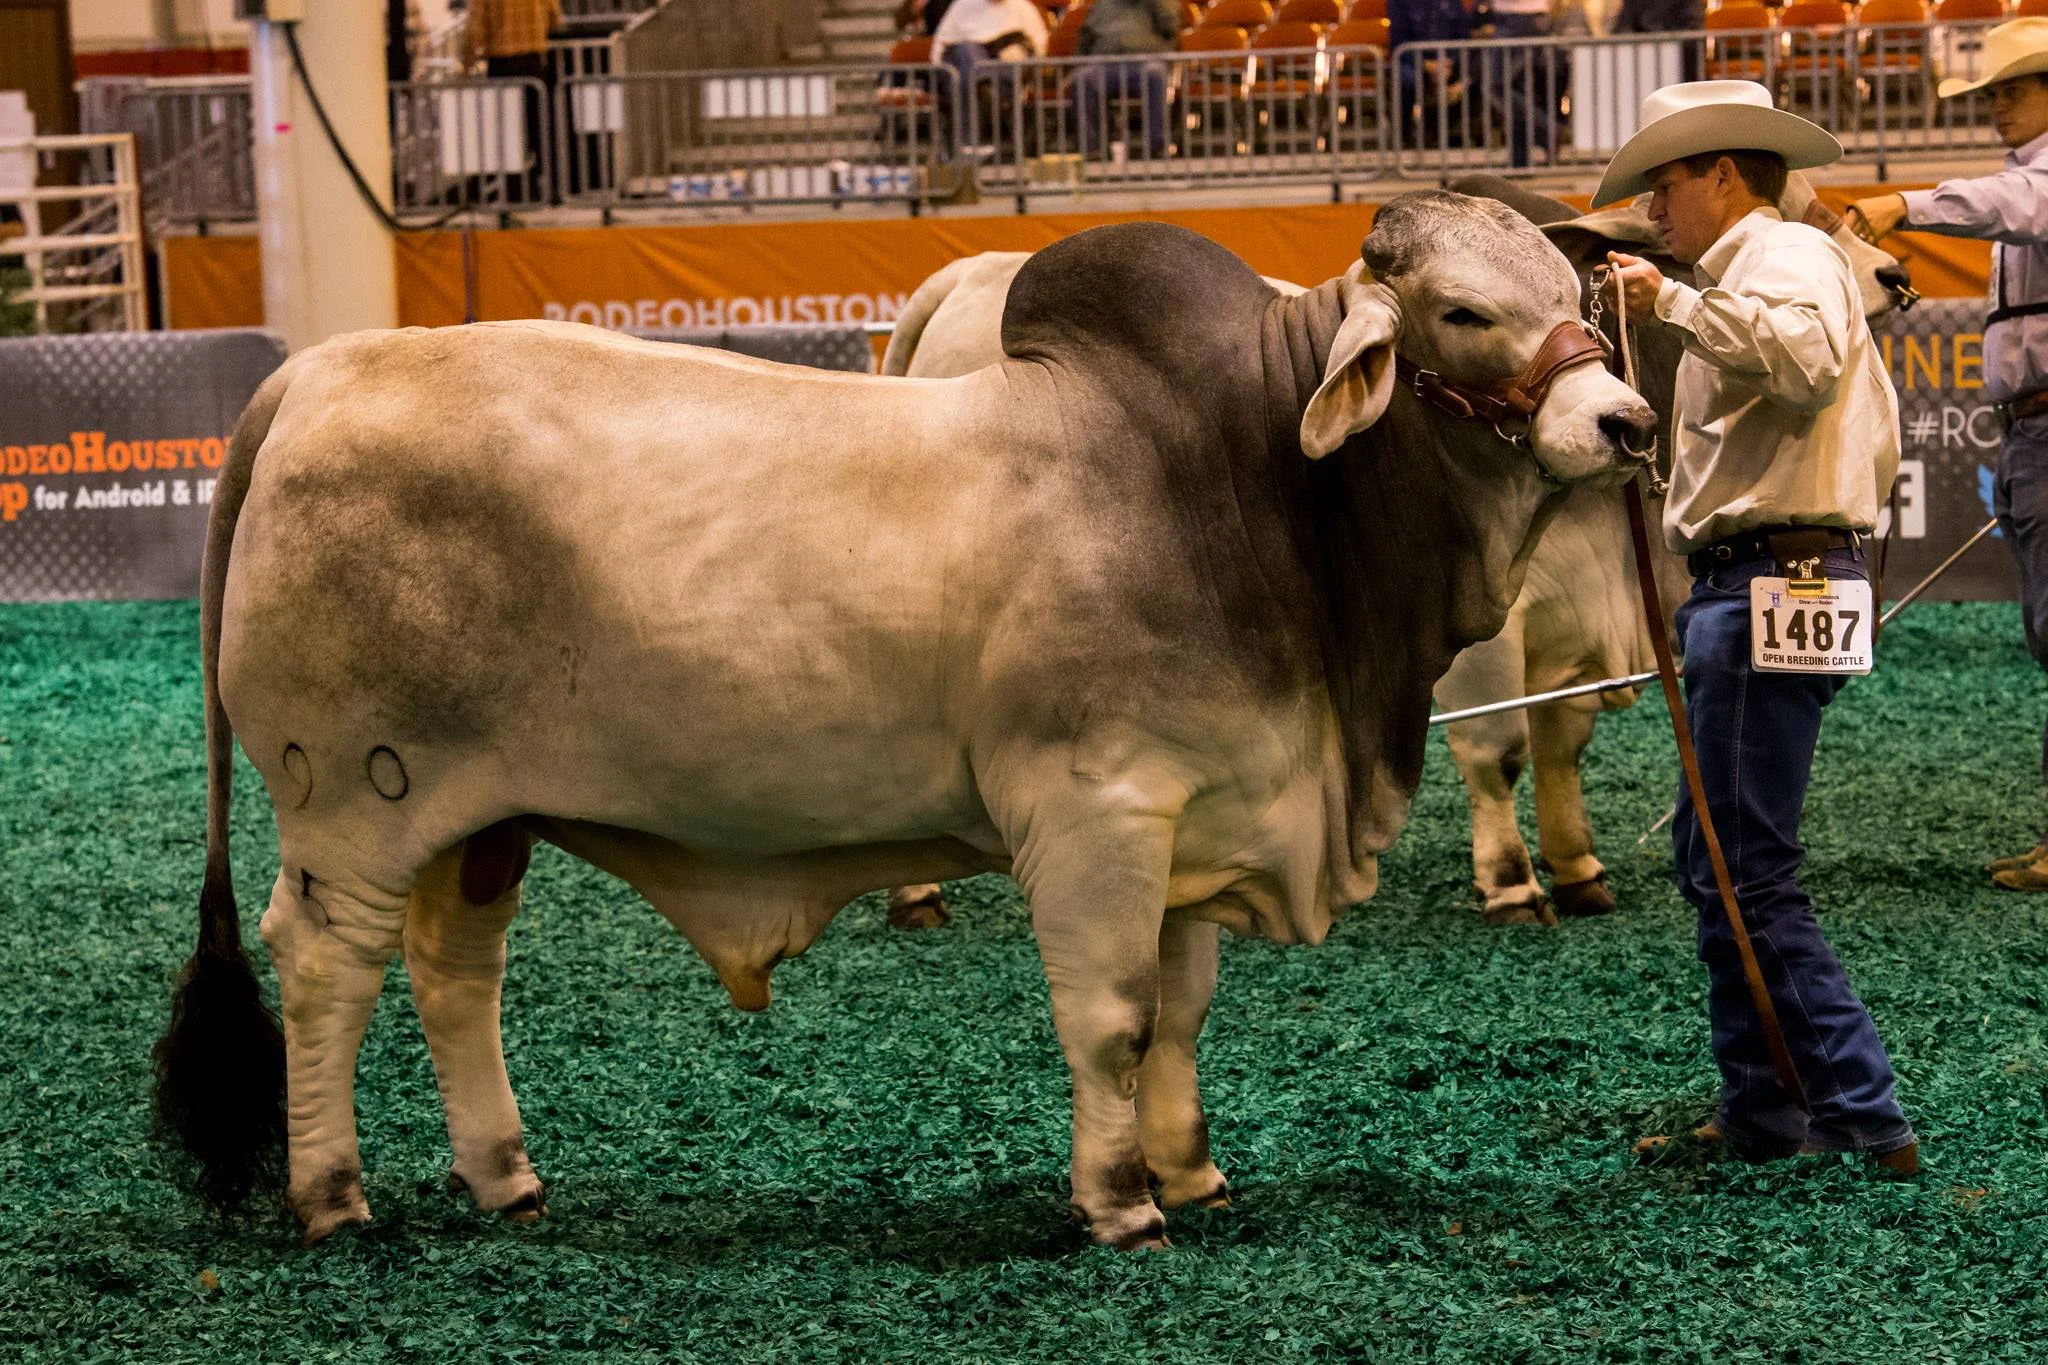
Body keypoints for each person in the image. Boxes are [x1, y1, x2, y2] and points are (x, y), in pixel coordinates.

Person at [1599, 81, 1919, 1173]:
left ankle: (1857, 1113)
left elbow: (1806, 358)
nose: (1650, 208)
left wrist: (1671, 309)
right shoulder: (1765, 267)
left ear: (1723, 174)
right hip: (1769, 582)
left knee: (1745, 869)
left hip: (1761, 586)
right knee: (1720, 855)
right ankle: (1764, 1112)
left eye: (1664, 183)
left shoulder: (1774, 261)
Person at [1849, 20, 2048, 893]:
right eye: (1992, 93)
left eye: (2011, 89)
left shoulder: (2033, 186)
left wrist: (1907, 204)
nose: (1996, 106)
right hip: (2029, 430)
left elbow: (2016, 211)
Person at [461, 0, 562, 204]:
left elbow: (476, 28)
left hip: (502, 63)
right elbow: (555, 18)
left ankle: (514, 190)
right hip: (535, 61)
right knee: (539, 128)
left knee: (506, 132)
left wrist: (467, 61)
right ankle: (549, 187)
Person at [932, 0, 1049, 150]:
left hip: (1005, 74)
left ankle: (968, 143)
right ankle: (983, 85)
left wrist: (1020, 52)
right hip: (965, 71)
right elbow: (940, 47)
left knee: (969, 79)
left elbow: (1039, 48)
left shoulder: (1022, 8)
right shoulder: (963, 5)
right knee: (967, 51)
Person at [1075, 0, 1181, 160]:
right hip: (1106, 63)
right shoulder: (1103, 4)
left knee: (1156, 74)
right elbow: (1086, 36)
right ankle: (1091, 149)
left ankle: (1158, 147)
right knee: (1083, 78)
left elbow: (1171, 28)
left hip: (1145, 61)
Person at [1484, 0, 1559, 168]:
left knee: (1497, 86)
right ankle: (1520, 160)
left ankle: (1546, 129)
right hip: (1526, 18)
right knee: (1517, 90)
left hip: (1519, 19)